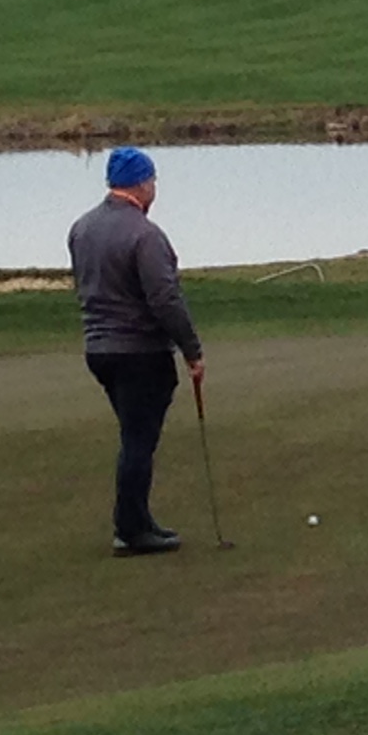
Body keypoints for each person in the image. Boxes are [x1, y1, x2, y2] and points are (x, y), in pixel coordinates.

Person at [67, 146, 205, 554]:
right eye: (152, 181)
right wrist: (192, 349)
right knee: (139, 439)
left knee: (135, 435)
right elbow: (165, 299)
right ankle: (129, 530)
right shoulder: (145, 235)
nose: (154, 188)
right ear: (142, 184)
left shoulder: (82, 228)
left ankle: (139, 520)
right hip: (139, 351)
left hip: (99, 349)